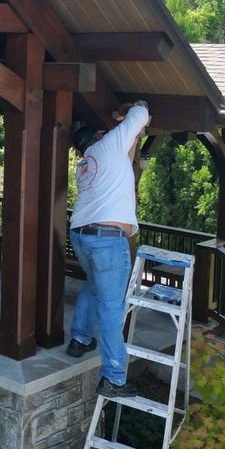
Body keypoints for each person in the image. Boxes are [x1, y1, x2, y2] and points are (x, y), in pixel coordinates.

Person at [59, 100, 151, 400]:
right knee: (112, 307)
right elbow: (140, 115)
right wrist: (137, 107)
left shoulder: (86, 164)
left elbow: (126, 157)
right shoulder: (109, 145)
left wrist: (133, 137)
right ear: (98, 137)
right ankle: (113, 377)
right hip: (107, 239)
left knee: (94, 286)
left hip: (82, 235)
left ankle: (80, 339)